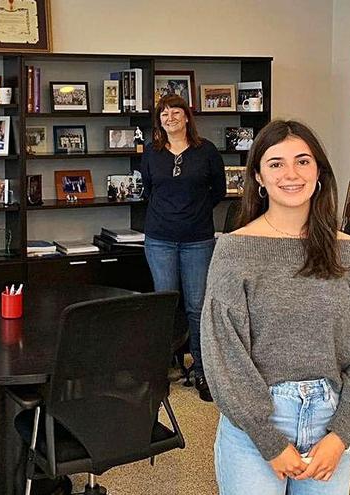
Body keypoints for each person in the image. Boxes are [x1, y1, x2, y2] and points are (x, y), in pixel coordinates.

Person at [201, 120, 350, 494]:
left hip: (331, 421)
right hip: (258, 421)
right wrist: (266, 437)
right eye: (276, 163)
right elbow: (223, 350)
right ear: (258, 177)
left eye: (303, 161)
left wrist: (342, 432)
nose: (291, 174)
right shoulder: (235, 250)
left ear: (319, 171)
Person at [140, 94, 226, 402]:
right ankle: (158, 373)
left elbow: (218, 190)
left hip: (197, 240)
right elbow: (150, 190)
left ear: (187, 117)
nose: (170, 117)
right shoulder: (151, 153)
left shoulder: (207, 152)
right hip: (159, 238)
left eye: (176, 111)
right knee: (164, 305)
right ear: (159, 120)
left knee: (197, 307)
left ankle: (202, 371)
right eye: (164, 113)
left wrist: (194, 212)